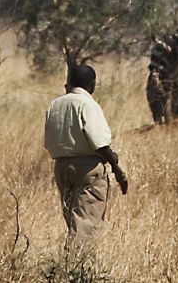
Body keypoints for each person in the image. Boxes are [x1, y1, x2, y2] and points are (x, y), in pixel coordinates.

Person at [44, 64, 129, 251]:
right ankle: (77, 268)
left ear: (70, 83)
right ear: (92, 85)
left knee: (73, 219)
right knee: (86, 224)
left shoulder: (55, 105)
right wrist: (115, 163)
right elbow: (99, 143)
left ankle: (70, 265)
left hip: (61, 166)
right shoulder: (88, 104)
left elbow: (48, 141)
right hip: (87, 168)